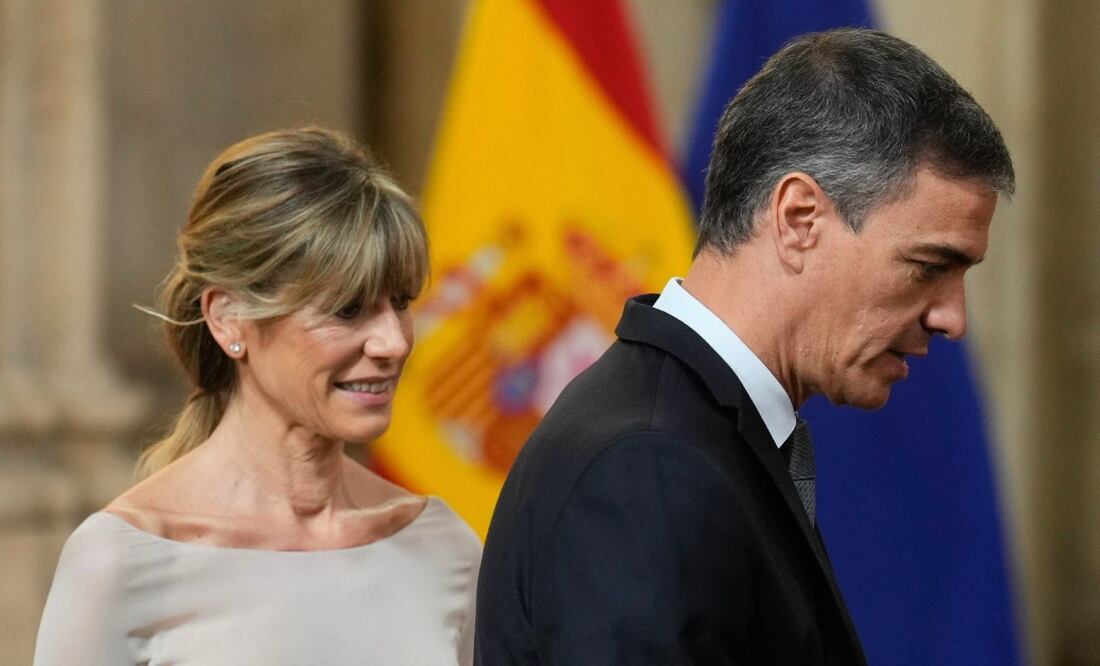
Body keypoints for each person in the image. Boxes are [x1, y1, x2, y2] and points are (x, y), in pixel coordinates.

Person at [475, 28, 1015, 665]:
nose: (953, 318)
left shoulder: (690, 433)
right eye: (929, 265)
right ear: (798, 219)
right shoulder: (648, 468)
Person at [34, 127, 481, 665]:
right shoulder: (121, 561)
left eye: (402, 302)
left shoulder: (443, 545)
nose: (392, 342)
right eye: (348, 309)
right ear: (228, 319)